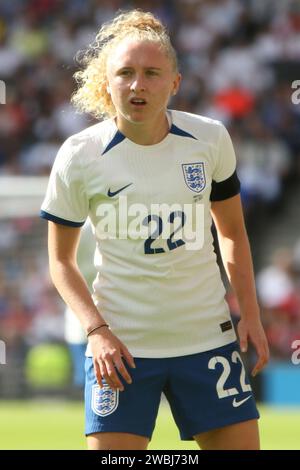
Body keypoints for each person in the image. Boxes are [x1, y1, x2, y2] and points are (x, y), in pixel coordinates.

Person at [40, 9, 269, 450]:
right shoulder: (78, 155)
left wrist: (251, 314)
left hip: (207, 341)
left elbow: (233, 234)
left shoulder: (210, 139)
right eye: (124, 73)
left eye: (150, 73)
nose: (137, 85)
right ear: (106, 82)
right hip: (119, 350)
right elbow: (61, 261)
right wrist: (96, 332)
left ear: (175, 82)